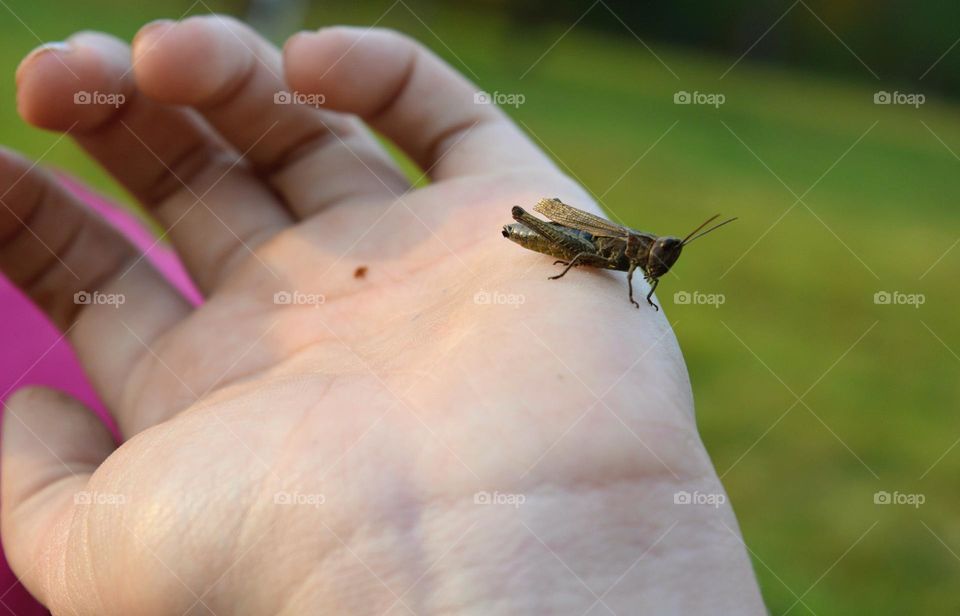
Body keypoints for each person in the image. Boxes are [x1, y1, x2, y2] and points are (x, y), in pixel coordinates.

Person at [0, 15, 766, 614]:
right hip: (560, 233)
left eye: (664, 258)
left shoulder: (638, 276)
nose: (660, 262)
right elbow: (610, 259)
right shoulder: (622, 248)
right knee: (546, 234)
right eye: (661, 255)